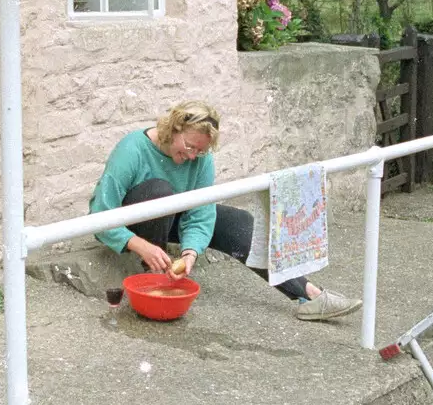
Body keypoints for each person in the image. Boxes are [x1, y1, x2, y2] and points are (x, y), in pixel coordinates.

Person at [89, 100, 363, 321]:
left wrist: (191, 252)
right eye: (189, 146)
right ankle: (156, 281)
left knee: (238, 222)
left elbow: (201, 210)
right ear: (172, 129)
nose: (193, 156)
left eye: (201, 150)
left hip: (170, 219)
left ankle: (308, 294)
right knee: (160, 191)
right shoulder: (132, 149)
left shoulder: (200, 158)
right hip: (135, 224)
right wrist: (140, 246)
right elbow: (100, 212)